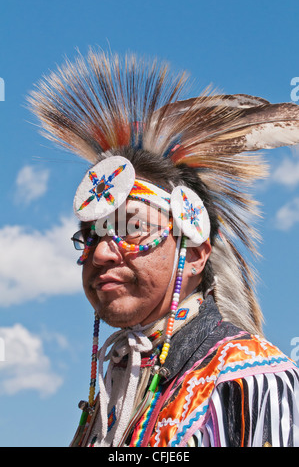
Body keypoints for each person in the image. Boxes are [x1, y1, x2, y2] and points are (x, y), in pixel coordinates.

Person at [28, 50, 299, 447]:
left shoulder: (247, 380)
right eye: (90, 236)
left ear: (193, 253)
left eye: (134, 228)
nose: (101, 254)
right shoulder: (117, 389)